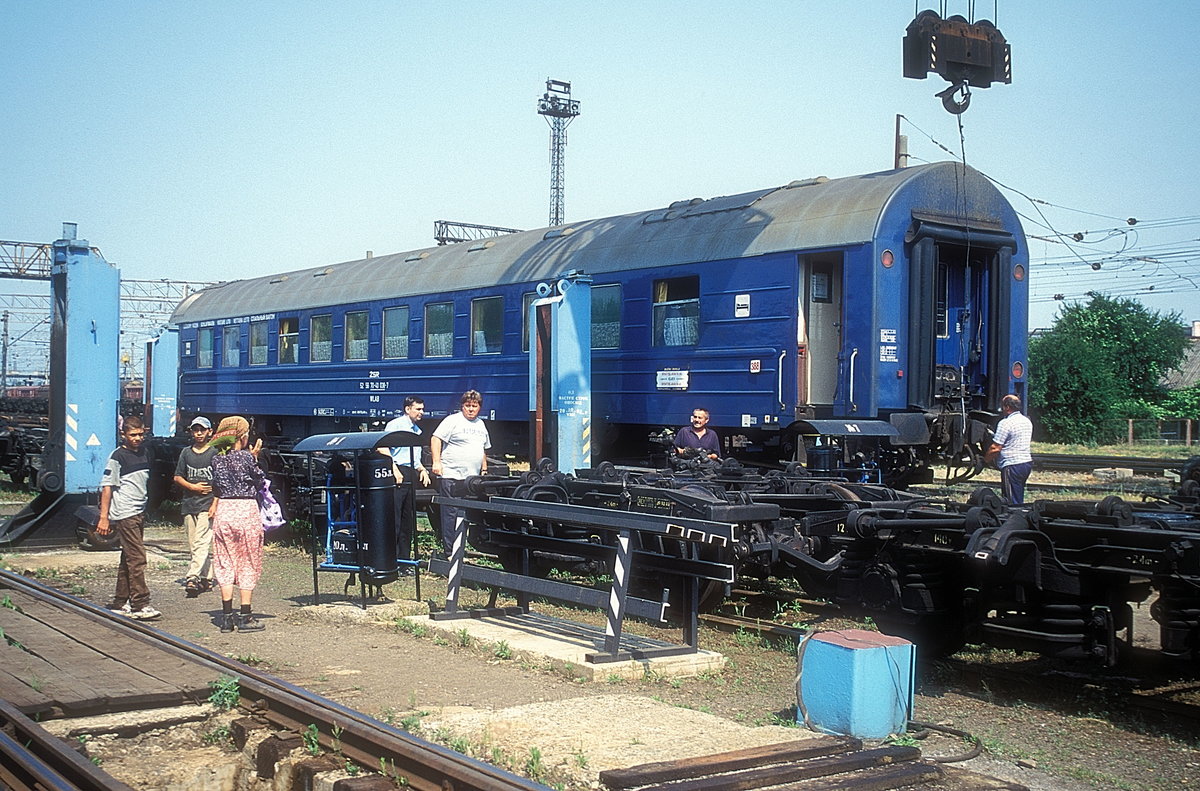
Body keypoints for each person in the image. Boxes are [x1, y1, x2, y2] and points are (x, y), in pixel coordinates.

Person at [206, 416, 267, 632]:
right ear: (242, 435)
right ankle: (246, 617)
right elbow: (260, 481)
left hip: (224, 511)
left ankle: (225, 618)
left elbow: (216, 487)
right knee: (247, 560)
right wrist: (255, 458)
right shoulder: (247, 458)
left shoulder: (216, 459)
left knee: (224, 561)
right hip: (246, 511)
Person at [98, 415, 161, 620]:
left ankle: (120, 601)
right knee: (137, 558)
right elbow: (107, 488)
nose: (137, 438)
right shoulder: (117, 457)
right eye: (133, 435)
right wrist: (103, 517)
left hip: (138, 511)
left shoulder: (144, 453)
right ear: (123, 434)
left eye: (141, 434)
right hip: (125, 513)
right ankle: (140, 604)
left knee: (128, 557)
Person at [430, 390, 491, 553]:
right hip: (451, 475)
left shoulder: (480, 424)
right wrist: (436, 461)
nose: (471, 409)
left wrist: (484, 468)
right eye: (468, 406)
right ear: (462, 406)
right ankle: (450, 552)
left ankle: (461, 548)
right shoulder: (452, 421)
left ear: (479, 407)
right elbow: (435, 439)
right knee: (450, 514)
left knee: (465, 514)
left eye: (474, 406)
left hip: (470, 479)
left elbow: (483, 447)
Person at [381, 396, 431, 562]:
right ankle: (391, 559)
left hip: (410, 473)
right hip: (397, 473)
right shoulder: (395, 425)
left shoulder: (416, 430)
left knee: (407, 519)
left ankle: (404, 560)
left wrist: (422, 469)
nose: (421, 412)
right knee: (394, 517)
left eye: (422, 409)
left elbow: (415, 458)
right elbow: (382, 447)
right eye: (418, 409)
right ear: (407, 409)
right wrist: (393, 469)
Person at [174, 416, 217, 597]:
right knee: (194, 545)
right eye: (195, 430)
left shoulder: (214, 453)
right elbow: (177, 477)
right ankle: (207, 577)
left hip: (207, 505)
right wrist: (192, 487)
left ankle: (192, 577)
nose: (198, 433)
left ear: (209, 432)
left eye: (202, 430)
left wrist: (215, 503)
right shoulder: (186, 453)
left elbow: (220, 482)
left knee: (201, 542)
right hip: (189, 503)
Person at [986, 394, 1034, 505]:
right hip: (1026, 463)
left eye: (1003, 406)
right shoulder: (1026, 421)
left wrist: (985, 460)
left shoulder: (1005, 423)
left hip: (1012, 465)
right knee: (1018, 494)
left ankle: (1015, 519)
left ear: (1007, 407)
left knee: (1011, 502)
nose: (1002, 409)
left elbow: (995, 448)